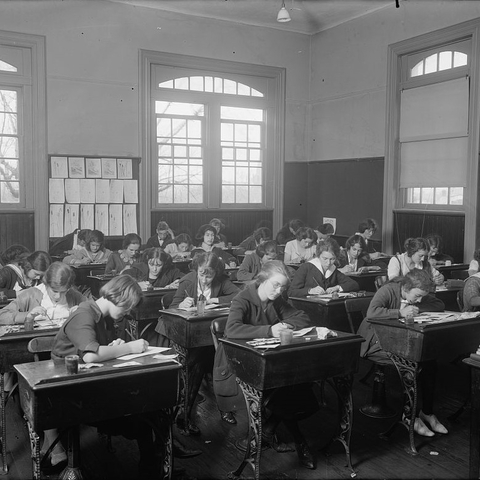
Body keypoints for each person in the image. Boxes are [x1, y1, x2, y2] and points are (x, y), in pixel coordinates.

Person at [213, 260, 318, 469]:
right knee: (285, 389)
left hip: (265, 360)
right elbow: (232, 330)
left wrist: (285, 324)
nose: (279, 291)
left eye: (283, 287)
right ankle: (299, 442)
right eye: (275, 285)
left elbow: (303, 318)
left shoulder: (276, 300)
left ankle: (268, 431)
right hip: (237, 364)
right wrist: (270, 330)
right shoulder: (241, 299)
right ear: (262, 280)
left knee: (291, 384)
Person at [154, 252, 240, 434]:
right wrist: (182, 305)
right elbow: (170, 308)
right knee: (201, 361)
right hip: (179, 333)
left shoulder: (222, 280)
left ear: (216, 272)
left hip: (205, 333)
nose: (206, 279)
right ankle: (187, 412)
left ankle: (214, 406)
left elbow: (238, 296)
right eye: (202, 273)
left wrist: (215, 300)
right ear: (196, 270)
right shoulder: (188, 281)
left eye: (210, 274)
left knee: (219, 356)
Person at [357, 269, 448, 437]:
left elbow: (439, 305)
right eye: (418, 295)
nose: (420, 299)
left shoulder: (417, 293)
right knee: (413, 363)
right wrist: (399, 312)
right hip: (374, 342)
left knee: (430, 362)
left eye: (422, 297)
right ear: (406, 287)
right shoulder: (389, 290)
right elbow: (372, 312)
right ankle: (409, 416)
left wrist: (416, 306)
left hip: (398, 340)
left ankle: (426, 412)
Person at [0, 261, 85, 325]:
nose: (58, 296)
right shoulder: (31, 294)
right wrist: (28, 316)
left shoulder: (73, 294)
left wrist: (82, 313)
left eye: (63, 292)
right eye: (54, 291)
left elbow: (95, 311)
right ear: (46, 283)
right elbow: (2, 315)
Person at [288, 238, 359, 297]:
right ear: (318, 256)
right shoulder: (306, 268)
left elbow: (354, 284)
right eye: (325, 258)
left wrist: (337, 287)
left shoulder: (333, 270)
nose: (328, 263)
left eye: (332, 259)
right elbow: (291, 292)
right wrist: (310, 290)